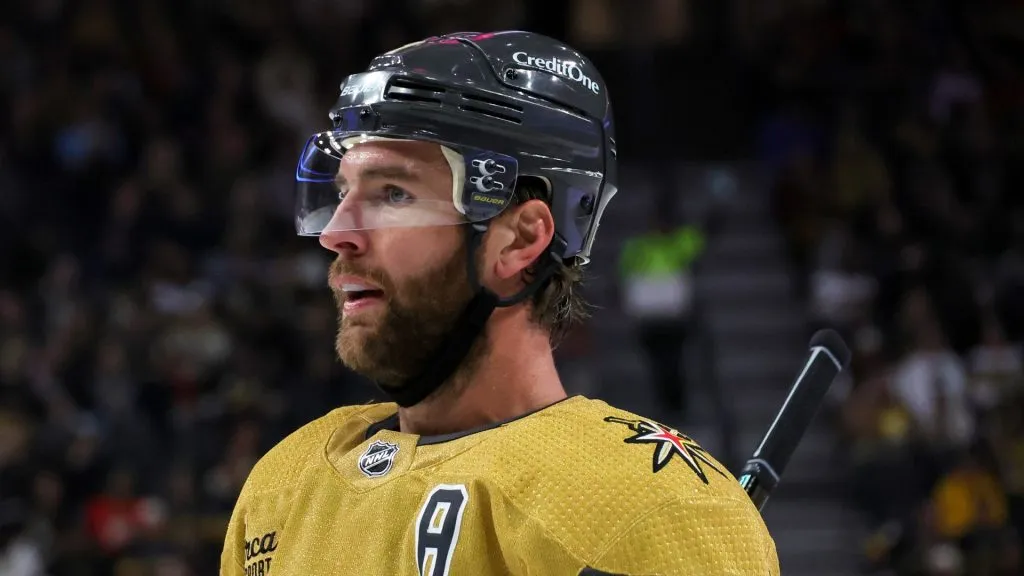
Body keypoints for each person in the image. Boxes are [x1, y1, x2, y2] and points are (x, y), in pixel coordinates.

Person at [220, 31, 778, 576]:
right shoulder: (285, 485)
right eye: (344, 193)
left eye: (394, 193)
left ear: (519, 238)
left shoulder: (650, 510)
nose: (336, 234)